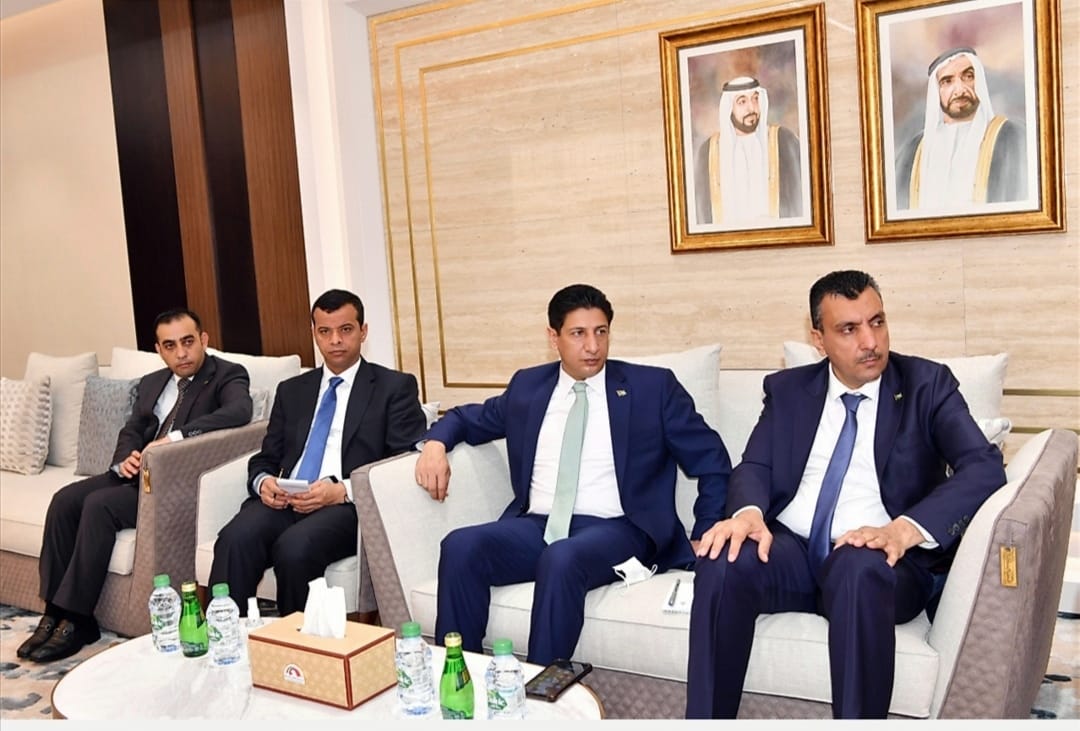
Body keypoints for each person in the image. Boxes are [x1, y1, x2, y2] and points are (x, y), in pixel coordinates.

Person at [685, 270, 1007, 719]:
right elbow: (756, 465)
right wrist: (748, 513)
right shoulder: (789, 390)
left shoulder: (927, 385)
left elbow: (984, 467)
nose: (870, 341)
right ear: (819, 340)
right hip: (793, 551)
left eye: (877, 322)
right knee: (724, 560)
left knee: (858, 567)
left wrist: (903, 531)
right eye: (849, 329)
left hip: (879, 559)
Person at [414, 283, 732, 666]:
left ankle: (541, 686)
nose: (593, 346)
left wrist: (707, 531)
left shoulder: (653, 388)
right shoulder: (529, 386)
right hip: (538, 525)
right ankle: (460, 676)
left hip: (621, 529)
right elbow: (468, 418)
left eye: (601, 332)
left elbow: (712, 459)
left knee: (561, 558)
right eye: (578, 333)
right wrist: (435, 444)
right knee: (461, 546)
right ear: (554, 338)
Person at [19, 309, 253, 662]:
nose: (181, 353)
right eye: (170, 346)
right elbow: (133, 428)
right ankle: (54, 611)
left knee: (99, 506)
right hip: (137, 475)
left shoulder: (227, 374)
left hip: (174, 483)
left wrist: (175, 439)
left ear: (204, 339)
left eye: (188, 342)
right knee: (65, 500)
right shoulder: (152, 382)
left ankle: (78, 620)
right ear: (159, 349)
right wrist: (124, 458)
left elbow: (239, 412)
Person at [208, 288, 426, 620]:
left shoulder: (394, 387)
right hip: (288, 499)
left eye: (346, 329)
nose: (335, 340)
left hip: (346, 506)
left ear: (363, 331)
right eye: (325, 331)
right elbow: (266, 457)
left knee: (294, 549)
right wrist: (264, 482)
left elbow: (402, 464)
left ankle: (299, 645)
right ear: (314, 334)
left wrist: (342, 491)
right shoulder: (293, 390)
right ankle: (225, 637)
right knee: (234, 539)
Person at [895, 47, 1027, 211]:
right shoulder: (914, 151)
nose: (960, 89)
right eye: (947, 81)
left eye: (968, 77)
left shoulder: (1011, 137)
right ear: (936, 91)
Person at [694, 76, 803, 227]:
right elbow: (701, 211)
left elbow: (800, 201)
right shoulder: (708, 152)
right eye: (742, 102)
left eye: (755, 99)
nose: (751, 108)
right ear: (729, 108)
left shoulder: (784, 141)